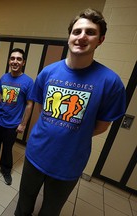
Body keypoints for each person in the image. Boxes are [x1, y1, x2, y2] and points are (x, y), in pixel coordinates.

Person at [15, 8, 126, 216]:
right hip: (35, 154)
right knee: (24, 203)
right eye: (77, 31)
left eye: (90, 32)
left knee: (51, 210)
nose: (82, 36)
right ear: (69, 37)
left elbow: (101, 126)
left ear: (100, 40)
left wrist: (73, 131)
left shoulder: (111, 82)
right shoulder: (48, 73)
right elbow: (42, 110)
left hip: (69, 163)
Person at [0, 48, 34, 185]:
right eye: (12, 58)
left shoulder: (28, 82)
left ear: (23, 62)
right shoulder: (4, 77)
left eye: (18, 59)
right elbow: (0, 93)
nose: (15, 61)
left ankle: (6, 170)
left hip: (12, 123)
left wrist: (23, 124)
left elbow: (30, 104)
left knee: (7, 149)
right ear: (9, 61)